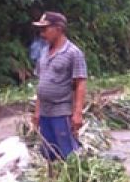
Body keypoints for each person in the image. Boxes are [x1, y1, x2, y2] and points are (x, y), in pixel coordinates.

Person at [31, 11, 88, 160]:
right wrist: (37, 112)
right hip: (45, 112)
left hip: (61, 112)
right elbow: (41, 83)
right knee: (48, 150)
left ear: (59, 28)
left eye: (46, 29)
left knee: (67, 151)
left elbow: (80, 83)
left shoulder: (73, 53)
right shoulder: (44, 52)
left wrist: (77, 114)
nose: (42, 34)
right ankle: (52, 180)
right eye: (41, 30)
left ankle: (72, 179)